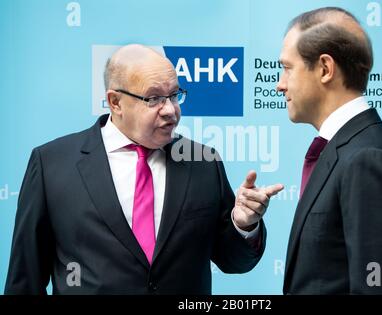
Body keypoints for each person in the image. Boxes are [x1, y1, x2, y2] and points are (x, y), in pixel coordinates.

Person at [5, 44, 284, 294]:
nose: (170, 110)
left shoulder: (203, 161)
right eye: (153, 99)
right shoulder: (52, 162)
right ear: (115, 102)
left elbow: (232, 260)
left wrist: (244, 224)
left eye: (174, 95)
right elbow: (25, 278)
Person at [277, 7, 382, 294]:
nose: (279, 84)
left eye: (287, 68)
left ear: (325, 69)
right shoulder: (353, 151)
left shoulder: (370, 161)